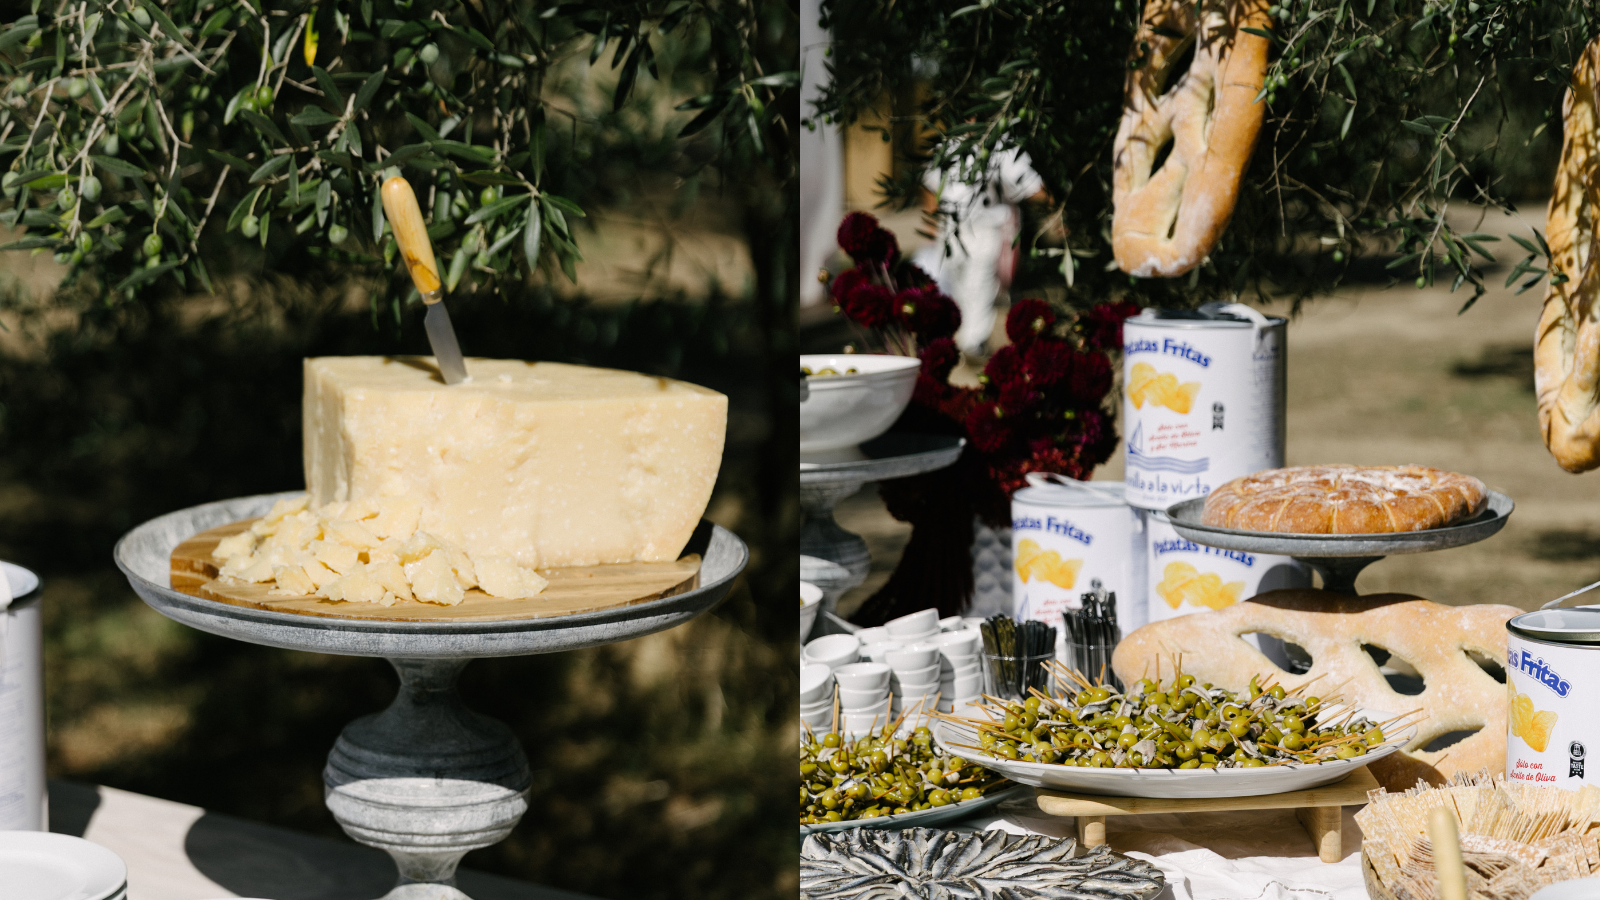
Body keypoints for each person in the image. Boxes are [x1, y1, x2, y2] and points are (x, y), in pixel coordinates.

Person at [914, 147, 1049, 358]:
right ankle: (963, 338)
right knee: (957, 283)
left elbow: (1028, 184)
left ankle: (973, 342)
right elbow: (930, 183)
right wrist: (933, 222)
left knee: (980, 285)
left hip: (986, 227)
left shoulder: (1001, 146)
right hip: (951, 228)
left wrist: (1055, 207)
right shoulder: (948, 145)